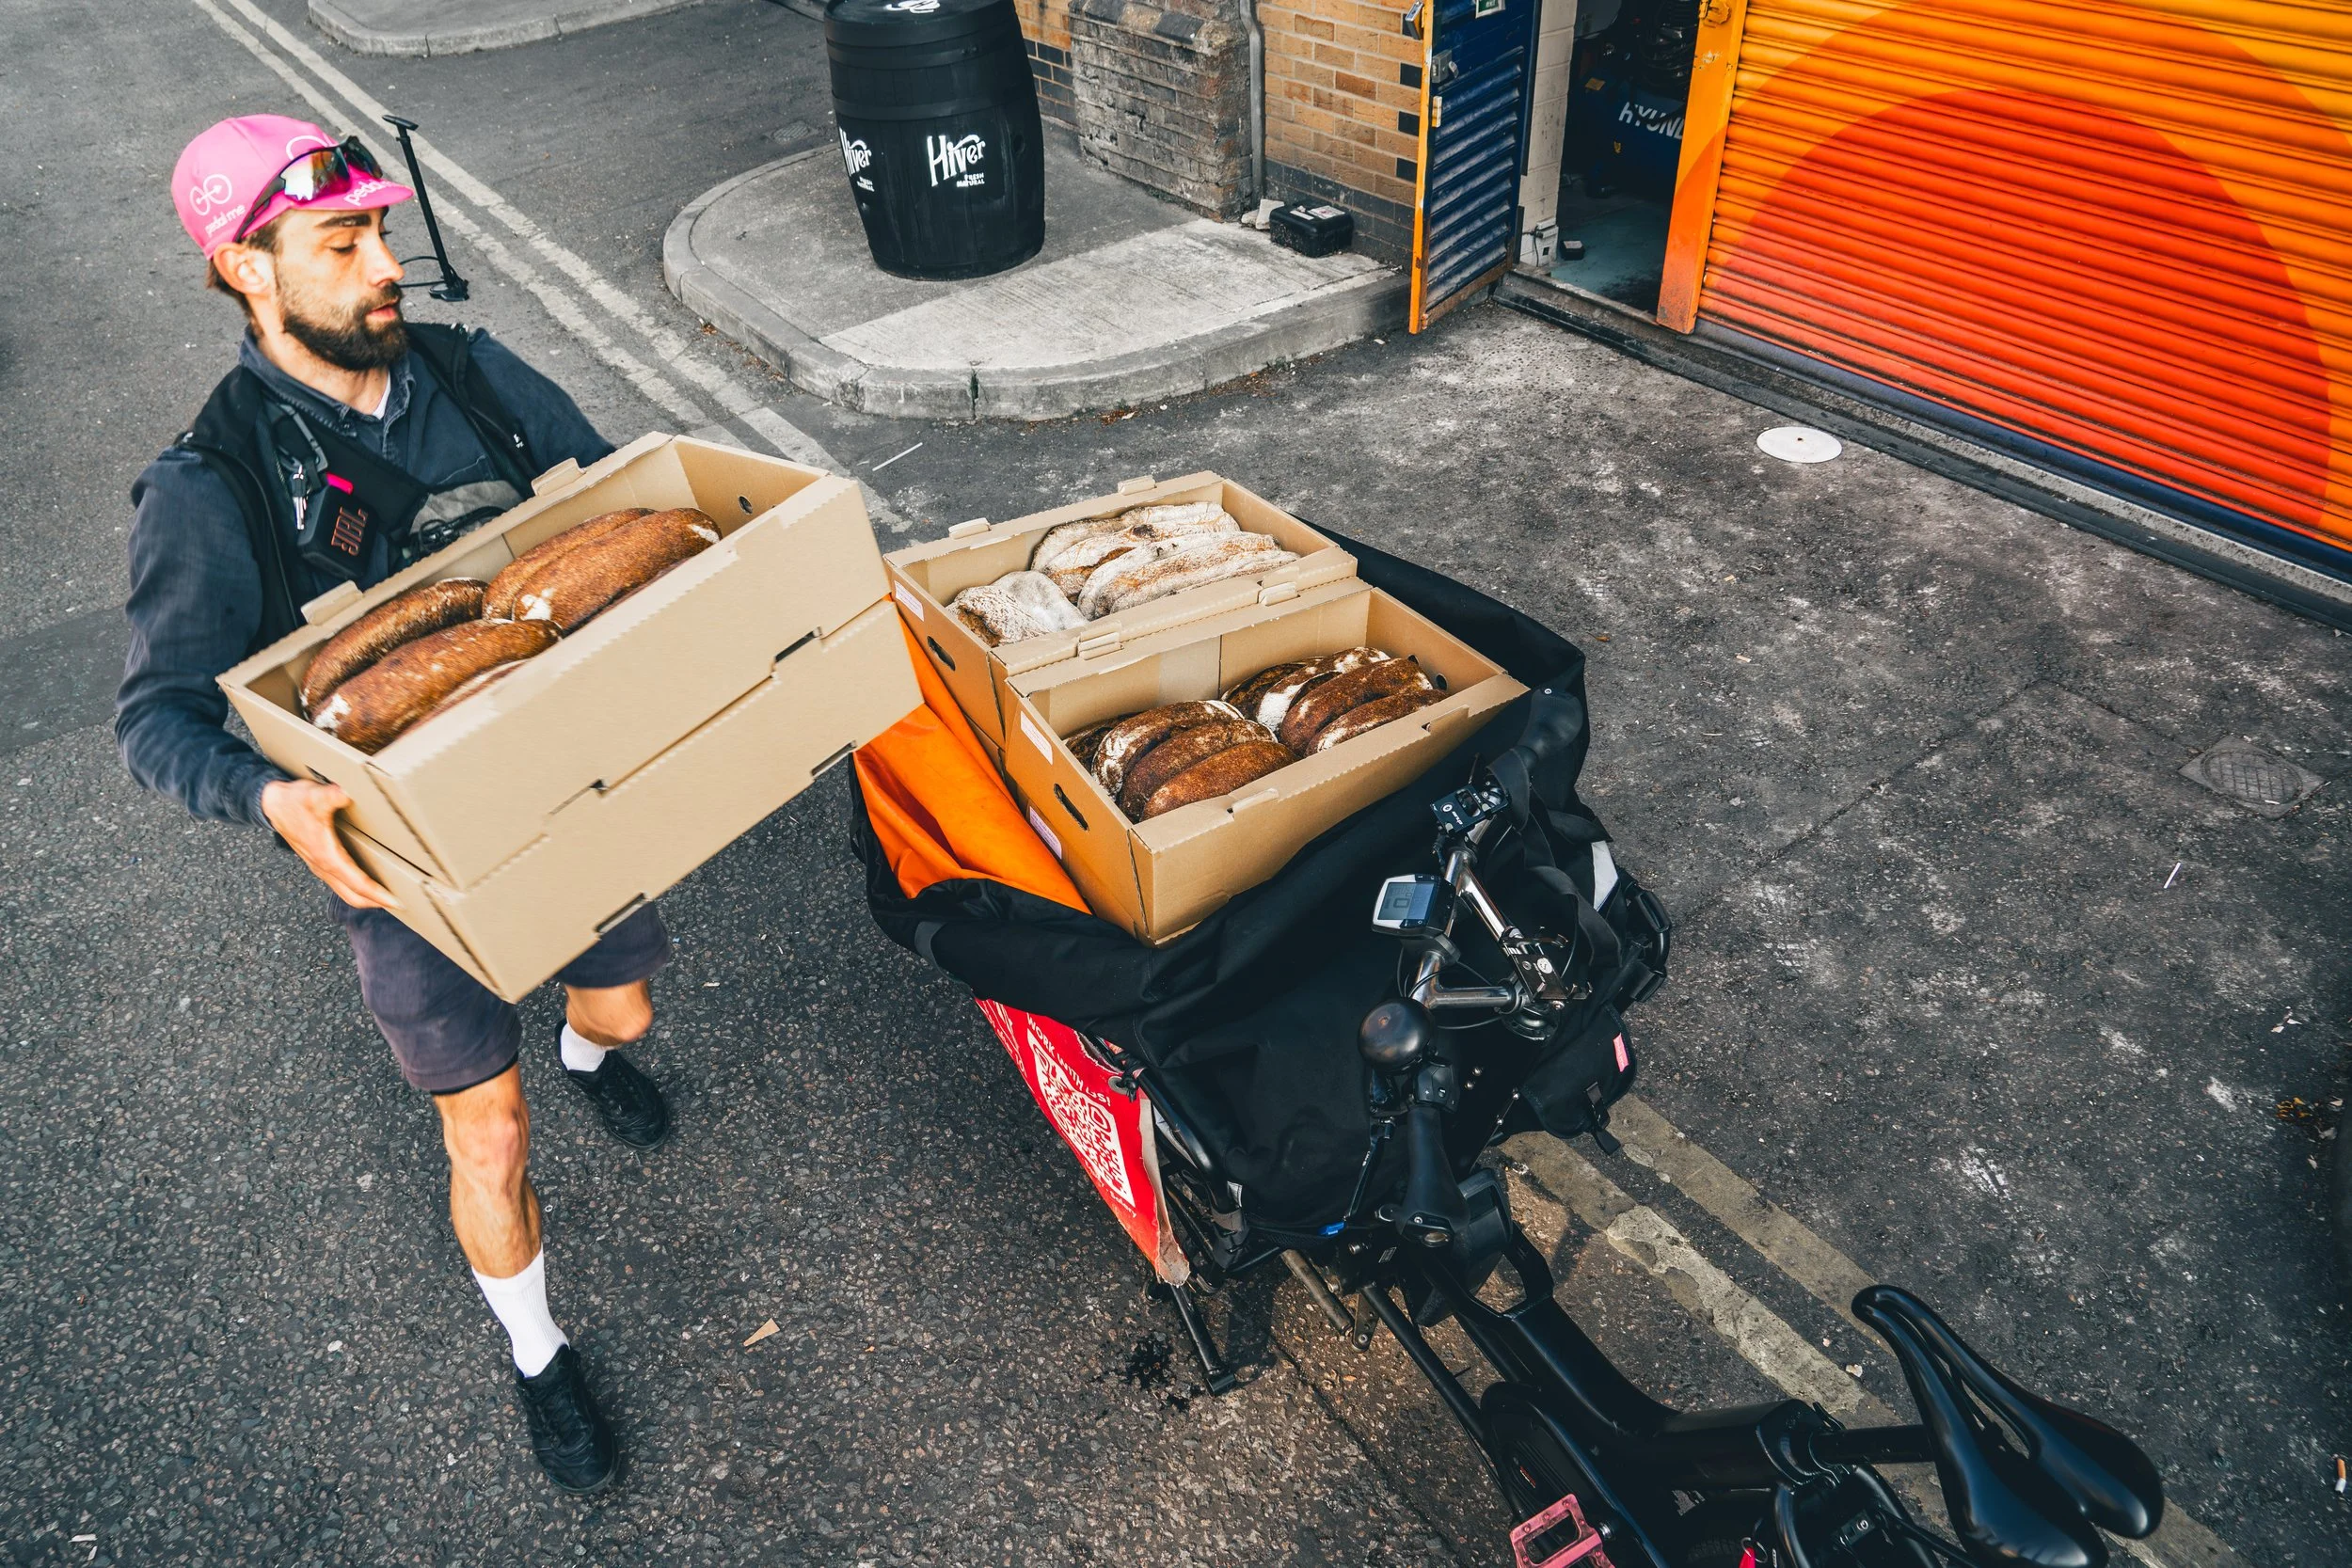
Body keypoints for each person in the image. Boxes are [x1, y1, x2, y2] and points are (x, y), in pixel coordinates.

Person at [119, 114, 668, 1494]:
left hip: (567, 793)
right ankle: (541, 1355)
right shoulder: (211, 483)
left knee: (625, 1010)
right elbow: (156, 718)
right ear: (249, 270)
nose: (386, 267)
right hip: (402, 868)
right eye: (342, 241)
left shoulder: (471, 379)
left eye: (381, 231)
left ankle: (595, 1055)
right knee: (487, 1129)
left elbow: (615, 499)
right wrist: (269, 797)